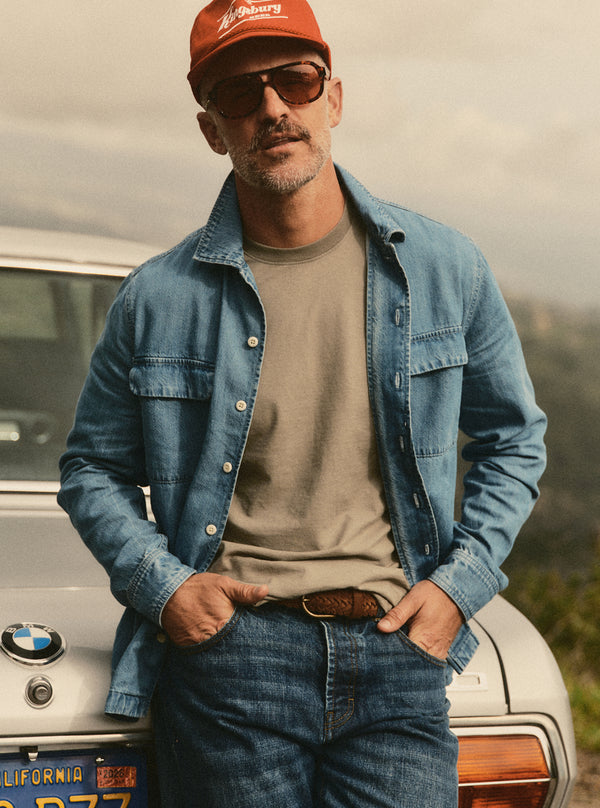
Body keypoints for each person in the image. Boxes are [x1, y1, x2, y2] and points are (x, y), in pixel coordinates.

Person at [58, 1, 547, 806]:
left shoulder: (445, 269)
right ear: (212, 128)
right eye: (240, 94)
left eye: (295, 80)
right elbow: (91, 469)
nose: (273, 108)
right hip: (232, 661)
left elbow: (514, 441)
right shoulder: (158, 298)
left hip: (399, 651)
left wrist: (459, 589)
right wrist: (168, 590)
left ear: (335, 98)